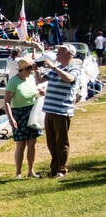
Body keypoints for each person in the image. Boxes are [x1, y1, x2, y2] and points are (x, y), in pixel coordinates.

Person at [42, 43, 80, 177]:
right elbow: (39, 80)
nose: (57, 54)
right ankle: (55, 167)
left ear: (69, 54)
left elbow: (69, 79)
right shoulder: (56, 69)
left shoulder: (74, 69)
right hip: (49, 109)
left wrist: (53, 67)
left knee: (61, 142)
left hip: (62, 110)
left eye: (60, 52)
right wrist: (34, 70)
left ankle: (62, 169)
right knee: (51, 142)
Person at [3, 55, 44, 178]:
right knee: (21, 143)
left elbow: (36, 87)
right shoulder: (13, 81)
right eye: (29, 69)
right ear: (22, 69)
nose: (31, 71)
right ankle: (18, 172)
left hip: (31, 112)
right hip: (19, 114)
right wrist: (11, 118)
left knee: (32, 143)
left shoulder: (31, 78)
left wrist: (39, 92)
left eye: (31, 69)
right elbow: (7, 101)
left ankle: (31, 170)